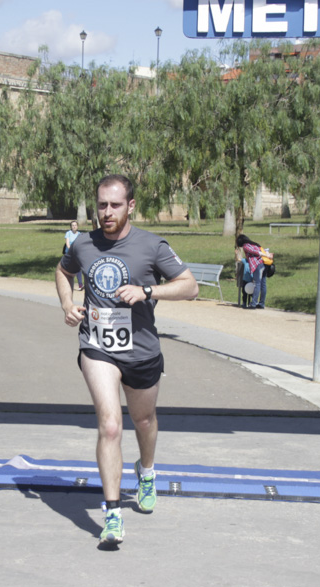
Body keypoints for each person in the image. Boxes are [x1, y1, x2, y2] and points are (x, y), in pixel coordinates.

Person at [55, 174, 199, 546]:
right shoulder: (84, 243)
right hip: (97, 346)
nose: (107, 212)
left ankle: (147, 471)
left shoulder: (151, 246)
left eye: (115, 205)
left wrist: (148, 290)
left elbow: (190, 286)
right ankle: (113, 514)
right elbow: (63, 270)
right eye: (101, 204)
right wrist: (68, 304)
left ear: (130, 206)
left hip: (142, 350)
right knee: (111, 426)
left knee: (144, 419)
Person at [236, 234, 268, 309]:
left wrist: (267, 255)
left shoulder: (246, 246)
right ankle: (261, 303)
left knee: (257, 283)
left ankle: (253, 304)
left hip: (258, 265)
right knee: (263, 284)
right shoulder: (254, 244)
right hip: (264, 264)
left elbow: (256, 252)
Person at [63, 220, 83, 290]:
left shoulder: (80, 234)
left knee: (78, 270)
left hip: (77, 254)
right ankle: (68, 284)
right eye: (73, 225)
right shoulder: (68, 233)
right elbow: (68, 244)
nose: (74, 226)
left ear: (77, 226)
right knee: (69, 270)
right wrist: (71, 251)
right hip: (69, 253)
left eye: (75, 225)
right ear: (71, 227)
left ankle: (80, 284)